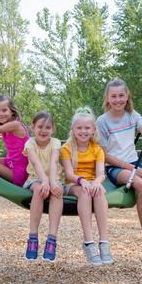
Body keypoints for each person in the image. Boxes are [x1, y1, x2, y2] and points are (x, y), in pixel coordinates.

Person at [96, 78, 142, 281]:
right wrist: (133, 169)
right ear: (108, 98)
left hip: (134, 165)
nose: (118, 99)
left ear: (127, 96)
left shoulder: (133, 116)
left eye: (121, 95)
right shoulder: (102, 121)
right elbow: (105, 156)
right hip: (116, 168)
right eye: (114, 96)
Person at [60, 107, 112, 266]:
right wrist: (83, 181)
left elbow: (101, 174)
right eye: (79, 128)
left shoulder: (97, 149)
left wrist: (96, 183)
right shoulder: (66, 148)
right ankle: (89, 242)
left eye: (87, 128)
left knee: (99, 192)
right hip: (74, 184)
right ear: (73, 129)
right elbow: (69, 174)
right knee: (85, 192)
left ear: (93, 129)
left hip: (91, 182)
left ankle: (104, 241)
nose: (83, 131)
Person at [22, 111, 64, 262]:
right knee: (39, 189)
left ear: (53, 129)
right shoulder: (30, 143)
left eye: (48, 127)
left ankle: (52, 238)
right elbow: (35, 163)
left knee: (57, 192)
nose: (43, 130)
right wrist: (44, 181)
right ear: (33, 127)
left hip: (54, 178)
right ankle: (33, 237)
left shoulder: (55, 143)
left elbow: (53, 162)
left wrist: (51, 182)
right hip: (35, 178)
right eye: (40, 126)